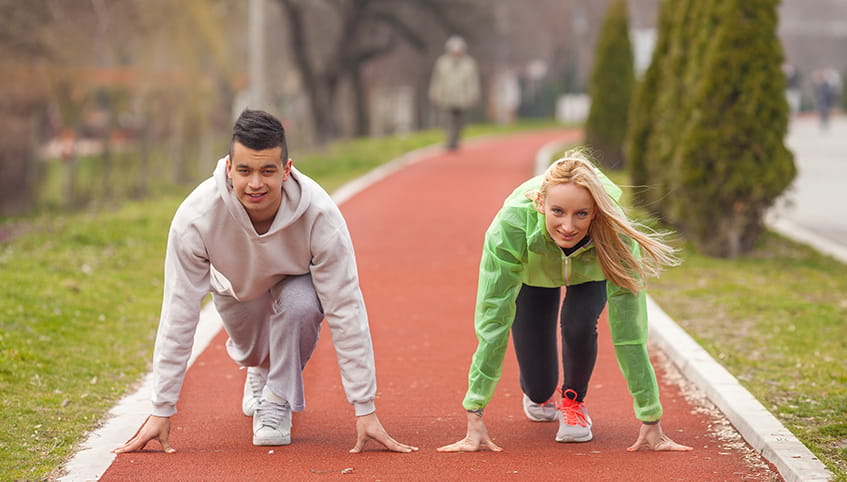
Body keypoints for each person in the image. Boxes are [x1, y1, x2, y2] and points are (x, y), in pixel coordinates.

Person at [113, 109, 417, 454]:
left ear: (286, 170)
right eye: (244, 170)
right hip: (238, 292)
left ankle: (276, 398)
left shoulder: (320, 216)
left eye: (267, 171)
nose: (255, 184)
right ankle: (261, 369)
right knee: (255, 354)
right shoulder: (195, 219)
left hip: (294, 284)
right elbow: (178, 313)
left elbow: (345, 307)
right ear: (229, 168)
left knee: (303, 304)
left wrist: (364, 408)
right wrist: (161, 409)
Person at [438, 150, 693, 453]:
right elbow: (493, 319)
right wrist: (475, 412)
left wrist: (651, 417)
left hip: (590, 272)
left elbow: (630, 333)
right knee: (538, 387)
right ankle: (542, 393)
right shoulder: (510, 226)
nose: (569, 226)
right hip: (533, 273)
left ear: (596, 211)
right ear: (540, 203)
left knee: (579, 323)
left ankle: (573, 402)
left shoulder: (615, 233)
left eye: (581, 214)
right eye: (558, 211)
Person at [428, 35, 481, 151]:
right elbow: (437, 80)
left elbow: (473, 82)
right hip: (447, 98)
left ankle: (456, 139)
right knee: (447, 121)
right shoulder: (442, 63)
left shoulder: (469, 64)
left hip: (463, 99)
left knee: (460, 122)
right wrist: (435, 94)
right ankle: (449, 141)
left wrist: (473, 96)